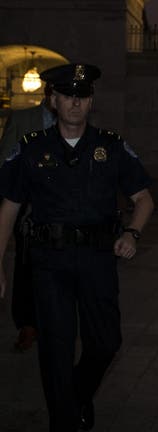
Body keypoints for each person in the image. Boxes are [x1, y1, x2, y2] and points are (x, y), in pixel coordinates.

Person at [0, 63, 154, 432]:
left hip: (97, 259)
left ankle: (77, 394)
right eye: (67, 95)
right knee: (56, 348)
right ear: (52, 100)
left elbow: (144, 199)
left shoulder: (111, 147)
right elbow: (9, 208)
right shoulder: (32, 148)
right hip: (48, 262)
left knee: (106, 342)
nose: (74, 102)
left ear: (91, 101)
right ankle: (64, 421)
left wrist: (132, 233)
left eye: (82, 96)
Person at [0, 79, 57, 351]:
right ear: (48, 93)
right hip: (28, 209)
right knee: (26, 266)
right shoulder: (23, 119)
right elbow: (5, 160)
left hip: (62, 208)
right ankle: (27, 324)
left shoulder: (73, 121)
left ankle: (52, 321)